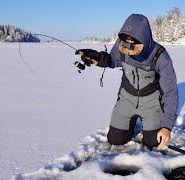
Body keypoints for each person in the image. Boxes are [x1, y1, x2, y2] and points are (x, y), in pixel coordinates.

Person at [76, 14, 178, 150]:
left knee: (154, 141)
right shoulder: (122, 44)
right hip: (126, 97)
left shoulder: (161, 57)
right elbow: (113, 60)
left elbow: (170, 93)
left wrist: (167, 126)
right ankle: (129, 124)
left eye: (132, 47)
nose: (127, 51)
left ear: (145, 41)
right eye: (124, 46)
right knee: (115, 139)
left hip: (151, 102)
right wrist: (98, 58)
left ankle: (149, 126)